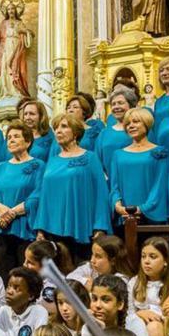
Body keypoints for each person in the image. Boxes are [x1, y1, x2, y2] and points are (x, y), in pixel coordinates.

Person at [32, 113, 111, 263]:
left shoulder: (90, 157)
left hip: (81, 224)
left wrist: (100, 225)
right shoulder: (53, 161)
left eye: (64, 126)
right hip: (52, 228)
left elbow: (101, 193)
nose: (58, 131)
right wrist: (41, 227)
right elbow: (45, 196)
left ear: (75, 132)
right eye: (56, 128)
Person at [0, 120, 43, 278]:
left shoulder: (38, 165)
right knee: (3, 274)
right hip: (1, 228)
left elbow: (38, 195)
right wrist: (0, 208)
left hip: (24, 227)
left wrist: (11, 213)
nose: (11, 140)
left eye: (16, 136)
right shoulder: (1, 167)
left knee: (25, 276)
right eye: (9, 137)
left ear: (28, 141)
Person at [110, 107, 169, 225]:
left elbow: (160, 185)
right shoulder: (118, 155)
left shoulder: (160, 152)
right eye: (128, 124)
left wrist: (142, 209)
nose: (131, 126)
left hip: (153, 217)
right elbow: (114, 186)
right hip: (125, 217)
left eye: (136, 122)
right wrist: (118, 206)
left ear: (146, 124)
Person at [81, 274, 155, 336]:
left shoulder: (133, 322)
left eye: (105, 299)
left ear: (120, 304)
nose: (97, 305)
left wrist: (104, 332)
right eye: (94, 299)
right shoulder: (88, 327)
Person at [128, 236, 169, 336]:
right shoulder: (134, 283)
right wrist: (140, 314)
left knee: (154, 328)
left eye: (153, 257)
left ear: (165, 260)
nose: (146, 261)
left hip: (165, 329)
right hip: (137, 326)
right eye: (143, 256)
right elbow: (128, 313)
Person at [0, 267, 48, 336]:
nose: (9, 291)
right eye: (9, 286)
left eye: (16, 289)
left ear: (31, 296)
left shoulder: (40, 312)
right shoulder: (3, 311)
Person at [68, 235, 134, 290]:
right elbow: (69, 277)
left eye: (98, 256)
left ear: (113, 261)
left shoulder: (122, 279)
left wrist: (93, 287)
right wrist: (85, 281)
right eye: (92, 254)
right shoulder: (90, 268)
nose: (92, 260)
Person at [95, 87, 135, 174]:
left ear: (131, 105)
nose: (116, 107)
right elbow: (97, 162)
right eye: (113, 104)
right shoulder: (104, 133)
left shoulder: (140, 129)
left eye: (120, 103)